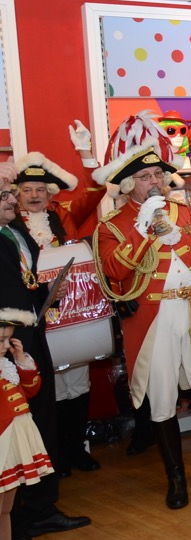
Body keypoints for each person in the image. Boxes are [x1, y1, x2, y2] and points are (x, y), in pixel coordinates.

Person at [92, 143, 191, 508]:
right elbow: (115, 271)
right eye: (144, 176)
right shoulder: (112, 225)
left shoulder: (181, 211)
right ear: (127, 184)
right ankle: (176, 480)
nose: (153, 181)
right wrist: (143, 227)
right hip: (153, 319)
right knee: (162, 399)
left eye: (157, 175)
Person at [12, 132, 106, 478]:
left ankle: (76, 449)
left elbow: (95, 191)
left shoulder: (63, 215)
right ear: (16, 194)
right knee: (48, 386)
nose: (34, 195)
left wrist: (85, 152)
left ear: (50, 193)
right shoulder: (9, 226)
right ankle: (55, 457)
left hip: (73, 312)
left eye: (40, 189)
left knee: (77, 383)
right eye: (27, 190)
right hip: (36, 315)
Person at [0, 313, 52, 540]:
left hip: (13, 441)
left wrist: (22, 361)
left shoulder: (6, 366)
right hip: (2, 442)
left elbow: (31, 391)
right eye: (0, 340)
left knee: (6, 509)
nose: (5, 346)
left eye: (8, 340)